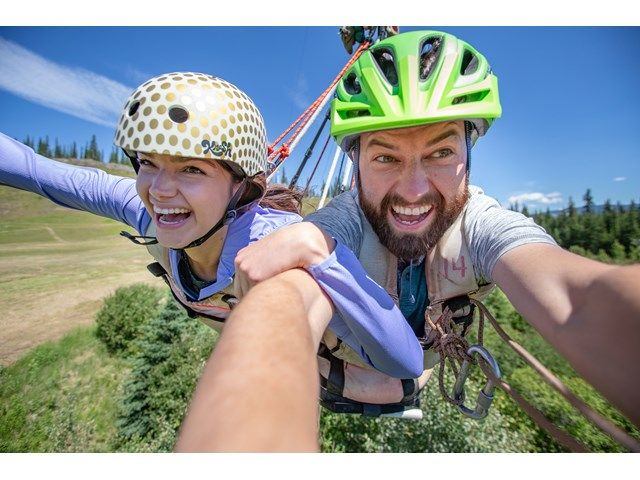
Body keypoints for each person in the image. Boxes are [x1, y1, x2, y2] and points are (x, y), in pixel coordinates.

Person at [232, 30, 640, 426]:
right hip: (342, 377)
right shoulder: (344, 219)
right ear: (356, 165)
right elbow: (297, 298)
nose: (413, 191)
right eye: (386, 158)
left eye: (441, 152)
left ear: (468, 153)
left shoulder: (482, 226)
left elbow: (577, 298)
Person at [1, 71, 427, 449]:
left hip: (348, 374)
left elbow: (406, 361)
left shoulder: (276, 244)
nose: (159, 191)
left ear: (239, 186)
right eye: (147, 164)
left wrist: (324, 254)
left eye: (191, 170)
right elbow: (39, 173)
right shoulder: (146, 210)